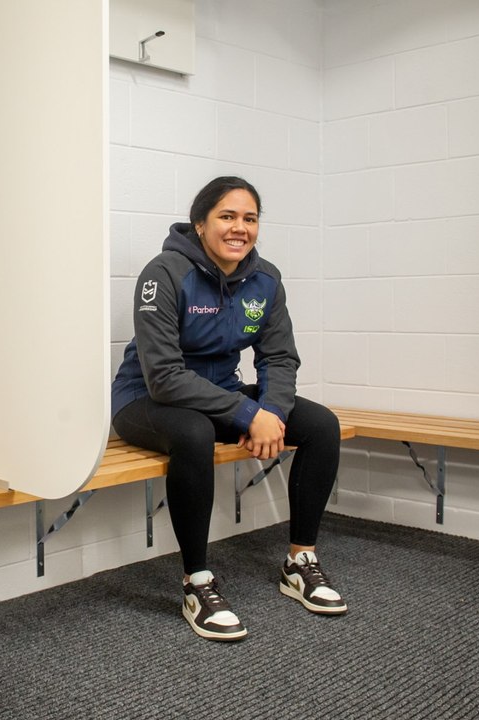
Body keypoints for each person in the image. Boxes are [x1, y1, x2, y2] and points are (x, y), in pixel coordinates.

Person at [111, 176, 345, 642]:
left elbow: (279, 357)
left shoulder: (265, 280)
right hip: (148, 400)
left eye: (250, 218)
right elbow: (165, 377)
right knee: (195, 432)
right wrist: (245, 414)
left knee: (321, 424)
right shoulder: (165, 273)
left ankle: (299, 562)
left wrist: (271, 413)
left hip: (222, 396)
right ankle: (197, 582)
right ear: (200, 224)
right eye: (227, 216)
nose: (240, 228)